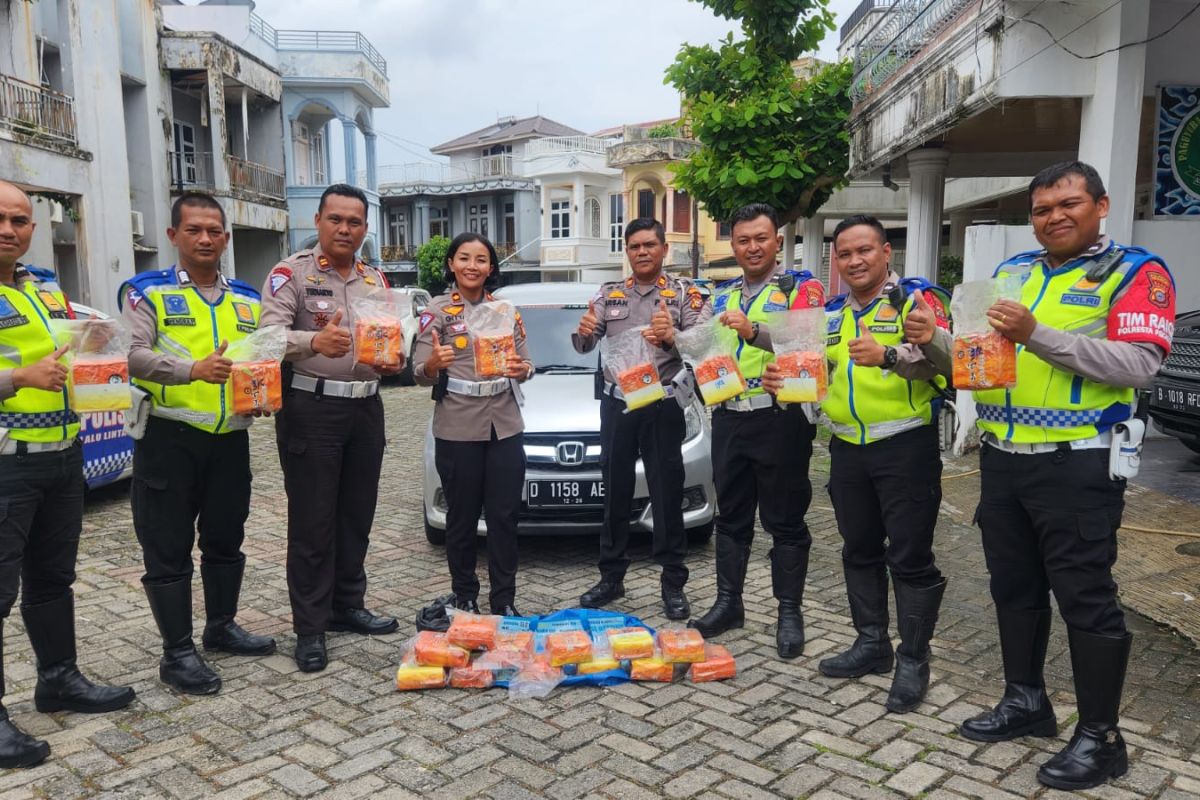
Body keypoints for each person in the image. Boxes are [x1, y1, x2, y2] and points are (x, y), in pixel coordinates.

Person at [946, 162, 1176, 791]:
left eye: (1069, 203)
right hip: (1005, 460)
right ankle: (1026, 703)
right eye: (1043, 208)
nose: (1055, 216)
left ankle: (1102, 739)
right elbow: (980, 358)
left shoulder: (1135, 272)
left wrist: (1037, 333)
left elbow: (1138, 364)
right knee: (1013, 588)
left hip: (1077, 462)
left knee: (1085, 598)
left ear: (1100, 205)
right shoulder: (1014, 273)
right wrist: (931, 346)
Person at [764, 213, 952, 712]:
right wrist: (786, 385)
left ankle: (913, 659)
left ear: (886, 252)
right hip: (846, 447)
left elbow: (948, 367)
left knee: (910, 558)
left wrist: (891, 356)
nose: (854, 261)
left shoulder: (916, 302)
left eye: (864, 250)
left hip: (904, 446)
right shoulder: (829, 316)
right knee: (859, 549)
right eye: (844, 254)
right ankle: (871, 643)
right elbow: (817, 377)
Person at [120, 192, 277, 696]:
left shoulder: (248, 298)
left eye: (214, 231)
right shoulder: (148, 292)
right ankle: (177, 653)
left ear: (226, 238)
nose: (205, 238)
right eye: (194, 230)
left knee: (226, 538)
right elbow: (134, 356)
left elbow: (264, 355)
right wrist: (193, 370)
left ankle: (221, 626)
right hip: (169, 437)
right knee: (167, 547)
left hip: (229, 440)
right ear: (173, 236)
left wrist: (265, 391)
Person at [0, 181, 134, 769]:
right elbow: (26, 371)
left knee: (53, 579)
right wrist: (17, 380)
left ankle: (58, 679)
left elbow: (63, 357)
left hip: (61, 455)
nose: (10, 229)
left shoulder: (43, 287)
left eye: (21, 220)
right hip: (7, 461)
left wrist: (90, 343)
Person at [259, 184, 402, 673]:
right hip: (311, 408)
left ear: (365, 227)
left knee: (356, 515)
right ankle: (310, 627)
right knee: (313, 521)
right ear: (318, 221)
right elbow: (267, 338)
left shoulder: (375, 278)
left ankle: (347, 605)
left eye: (355, 222)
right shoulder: (290, 274)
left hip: (366, 408)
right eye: (336, 219)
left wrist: (392, 360)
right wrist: (313, 340)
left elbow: (387, 339)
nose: (345, 229)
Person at [688, 203, 824, 659]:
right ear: (734, 243)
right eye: (743, 239)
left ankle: (789, 611)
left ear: (778, 241)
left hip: (780, 417)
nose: (752, 247)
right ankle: (729, 603)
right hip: (729, 416)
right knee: (731, 516)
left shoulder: (802, 288)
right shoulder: (721, 295)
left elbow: (810, 347)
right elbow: (708, 353)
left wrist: (754, 331)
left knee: (784, 519)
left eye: (761, 238)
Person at [572, 218, 707, 619]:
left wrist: (672, 337)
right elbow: (584, 345)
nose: (642, 252)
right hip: (618, 404)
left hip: (662, 405)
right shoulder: (608, 294)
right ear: (626, 252)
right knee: (614, 491)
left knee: (667, 493)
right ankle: (611, 578)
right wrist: (582, 332)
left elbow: (703, 345)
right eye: (634, 246)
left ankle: (673, 582)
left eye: (650, 244)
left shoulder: (685, 294)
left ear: (665, 249)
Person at [412, 233, 533, 616]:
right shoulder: (436, 311)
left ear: (491, 268)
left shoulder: (506, 311)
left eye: (481, 259)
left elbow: (527, 363)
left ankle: (504, 600)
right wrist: (434, 365)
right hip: (457, 425)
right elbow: (418, 371)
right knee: (461, 518)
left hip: (504, 426)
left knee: (503, 517)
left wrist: (522, 368)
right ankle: (464, 595)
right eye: (464, 258)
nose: (472, 266)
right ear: (451, 264)